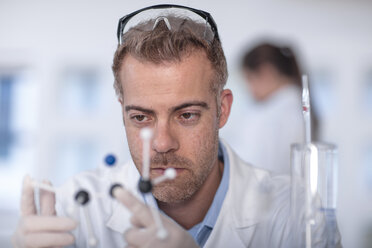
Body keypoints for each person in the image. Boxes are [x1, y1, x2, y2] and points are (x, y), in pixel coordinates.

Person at [12, 5, 338, 248]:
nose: (163, 144)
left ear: (222, 110)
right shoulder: (75, 210)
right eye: (141, 117)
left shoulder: (295, 216)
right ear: (123, 113)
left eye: (186, 115)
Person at [224, 42, 318, 175]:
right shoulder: (300, 112)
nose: (249, 90)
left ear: (266, 72)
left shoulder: (266, 116)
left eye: (249, 79)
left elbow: (248, 171)